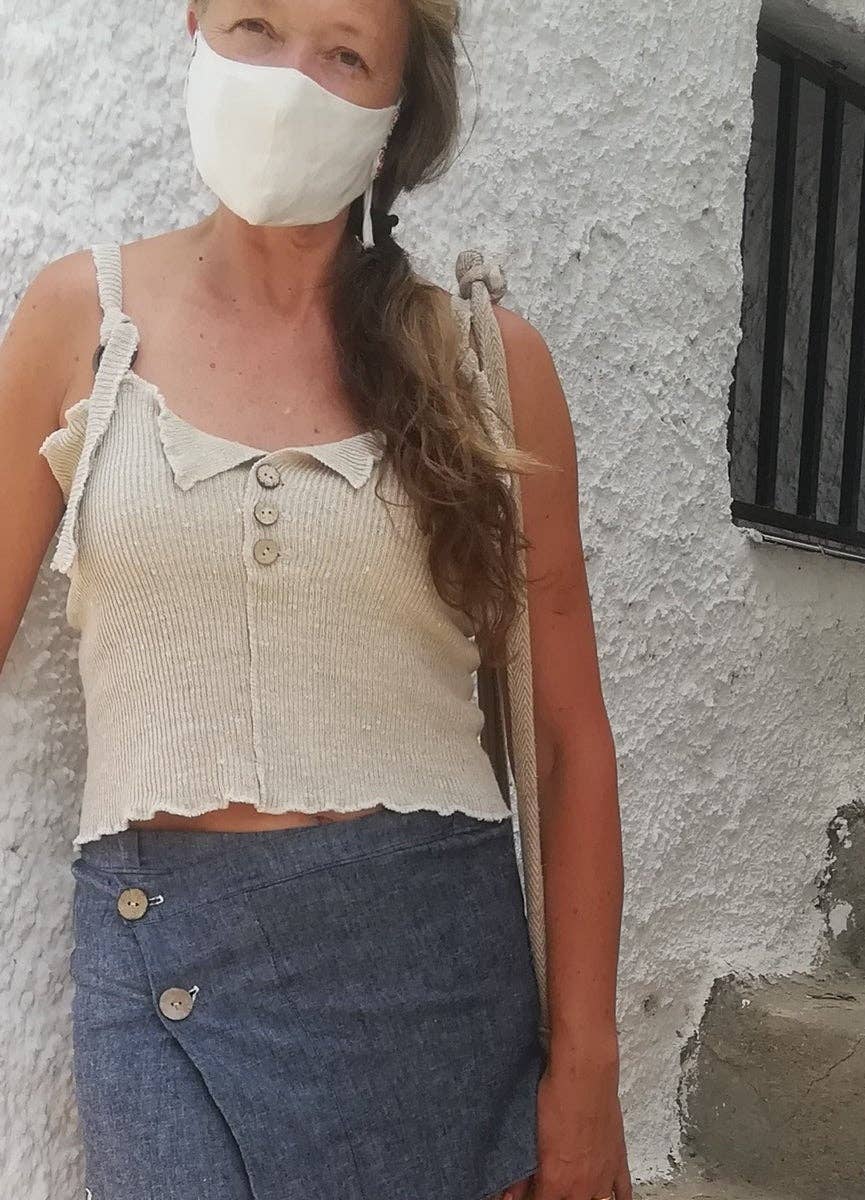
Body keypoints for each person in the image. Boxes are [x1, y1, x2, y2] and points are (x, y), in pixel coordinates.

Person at [0, 2, 631, 1198]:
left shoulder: (487, 365)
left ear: (395, 118)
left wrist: (587, 1077)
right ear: (196, 27)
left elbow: (567, 740)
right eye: (256, 25)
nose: (290, 80)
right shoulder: (82, 323)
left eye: (346, 53)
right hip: (167, 986)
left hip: (442, 994)